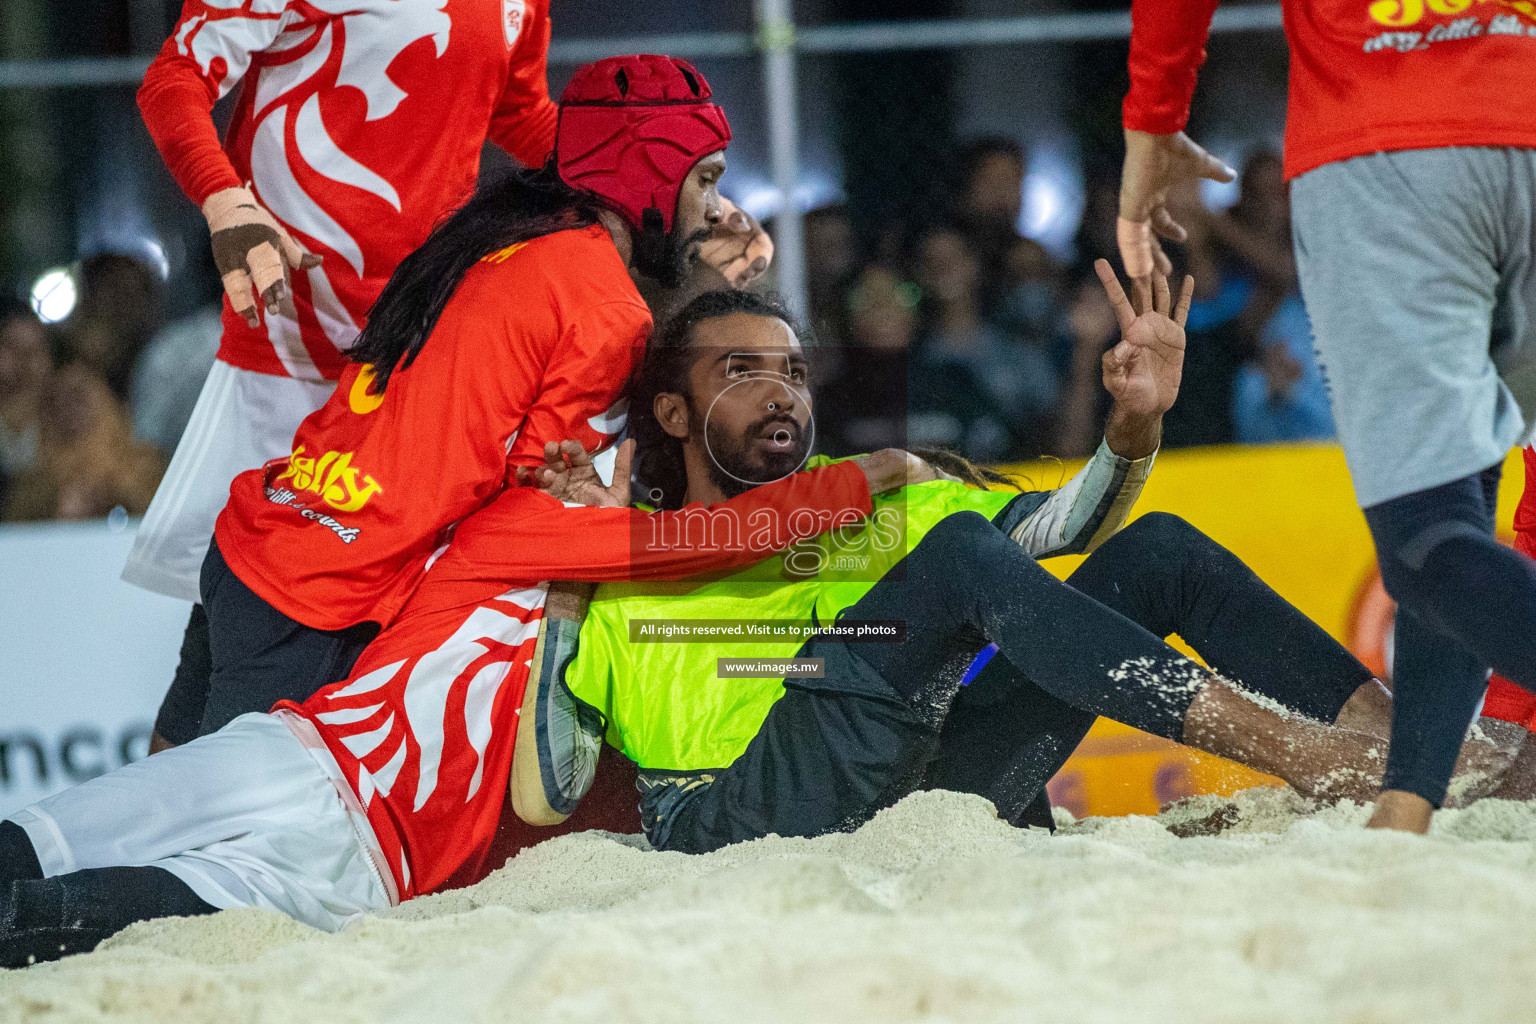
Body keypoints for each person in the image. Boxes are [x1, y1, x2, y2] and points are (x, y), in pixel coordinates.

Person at [516, 276, 1465, 853]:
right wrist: (571, 573)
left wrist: (1135, 424)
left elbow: (1065, 525)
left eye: (795, 372)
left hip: (908, 796)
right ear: (674, 416)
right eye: (742, 373)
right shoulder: (621, 558)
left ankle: (1413, 752)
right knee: (960, 553)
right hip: (739, 815)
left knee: (1160, 550)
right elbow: (545, 790)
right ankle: (1308, 757)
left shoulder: (870, 506)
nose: (781, 392)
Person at [128, 1, 770, 742]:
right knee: (253, 704)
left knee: (249, 654)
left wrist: (687, 200)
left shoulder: (521, 11)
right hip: (295, 329)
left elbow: (529, 119)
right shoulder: (597, 308)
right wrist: (224, 199)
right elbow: (174, 74)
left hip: (428, 314)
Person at [1117, 0, 1536, 831]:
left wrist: (1151, 123)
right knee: (1464, 519)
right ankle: (1409, 804)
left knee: (1426, 540)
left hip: (1389, 143)